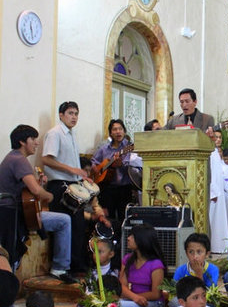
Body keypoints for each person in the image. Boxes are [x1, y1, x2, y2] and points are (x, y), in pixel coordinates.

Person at [0, 124, 74, 289]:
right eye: (33, 139)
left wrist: (39, 185)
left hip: (15, 211)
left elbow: (27, 190)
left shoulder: (12, 157)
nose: (36, 143)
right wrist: (49, 195)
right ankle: (60, 268)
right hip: (13, 215)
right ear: (22, 141)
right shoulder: (19, 160)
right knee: (64, 220)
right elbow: (35, 191)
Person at [42, 101, 89, 274]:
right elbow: (47, 159)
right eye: (70, 113)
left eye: (76, 113)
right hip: (60, 186)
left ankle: (76, 266)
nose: (74, 117)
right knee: (68, 228)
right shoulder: (55, 133)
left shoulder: (71, 134)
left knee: (77, 226)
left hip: (72, 185)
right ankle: (64, 267)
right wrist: (72, 170)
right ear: (61, 115)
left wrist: (80, 175)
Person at [119, 225, 166, 307]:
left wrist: (133, 297)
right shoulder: (127, 259)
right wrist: (134, 297)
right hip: (132, 300)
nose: (128, 238)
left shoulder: (156, 264)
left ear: (142, 240)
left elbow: (155, 294)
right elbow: (122, 286)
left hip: (152, 304)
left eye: (132, 236)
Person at [91, 119, 133, 222]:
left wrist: (122, 164)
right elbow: (93, 161)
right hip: (107, 189)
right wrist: (96, 168)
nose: (118, 132)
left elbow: (133, 163)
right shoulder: (104, 149)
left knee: (124, 218)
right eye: (115, 129)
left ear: (124, 131)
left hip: (124, 188)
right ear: (110, 133)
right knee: (108, 218)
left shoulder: (129, 147)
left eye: (120, 129)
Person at [209, 134, 228, 253]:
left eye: (220, 137)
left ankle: (220, 246)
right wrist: (213, 191)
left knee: (220, 219)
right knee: (213, 219)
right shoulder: (210, 153)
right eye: (215, 137)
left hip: (220, 191)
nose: (218, 139)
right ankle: (213, 246)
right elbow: (210, 174)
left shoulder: (216, 153)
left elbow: (220, 175)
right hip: (214, 192)